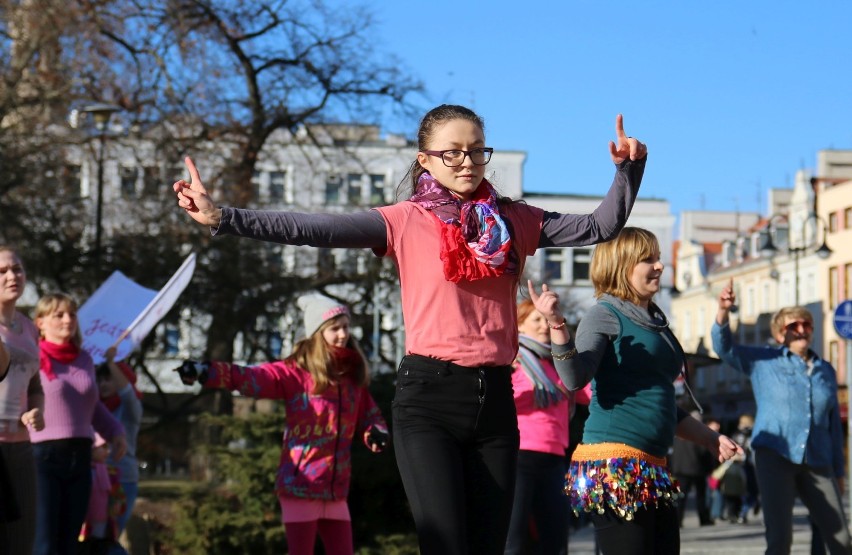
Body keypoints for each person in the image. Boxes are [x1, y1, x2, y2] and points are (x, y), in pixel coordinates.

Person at [174, 104, 647, 554]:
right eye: (452, 152)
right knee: (444, 545)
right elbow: (314, 227)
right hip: (429, 399)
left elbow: (600, 227)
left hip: (496, 403)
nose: (466, 161)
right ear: (425, 160)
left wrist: (627, 171)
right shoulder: (404, 221)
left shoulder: (515, 220)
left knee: (489, 546)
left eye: (477, 149)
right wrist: (223, 217)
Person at [558, 227, 742, 555]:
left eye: (658, 258)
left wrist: (710, 439)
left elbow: (663, 403)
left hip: (652, 466)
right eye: (648, 259)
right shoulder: (604, 314)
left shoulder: (654, 319)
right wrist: (559, 330)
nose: (659, 266)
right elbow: (574, 378)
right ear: (620, 265)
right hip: (614, 463)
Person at [174, 295, 388, 555]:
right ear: (317, 334)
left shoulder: (351, 378)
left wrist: (375, 432)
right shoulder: (295, 373)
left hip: (335, 488)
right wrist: (207, 371)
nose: (343, 334)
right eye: (334, 328)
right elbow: (253, 377)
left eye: (345, 326)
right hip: (301, 484)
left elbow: (369, 414)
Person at [712, 283, 852, 554]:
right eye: (793, 326)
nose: (801, 330)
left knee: (842, 540)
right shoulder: (763, 361)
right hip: (775, 457)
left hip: (818, 460)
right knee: (779, 540)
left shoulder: (826, 371)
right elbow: (724, 348)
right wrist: (723, 311)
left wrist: (838, 471)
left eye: (806, 324)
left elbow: (834, 425)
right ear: (779, 334)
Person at [29, 293, 127, 555]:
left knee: (70, 543)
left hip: (81, 457)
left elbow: (91, 406)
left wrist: (116, 432)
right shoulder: (30, 358)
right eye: (58, 314)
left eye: (71, 314)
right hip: (43, 457)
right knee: (44, 543)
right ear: (40, 322)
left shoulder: (84, 359)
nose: (67, 319)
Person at [505, 285, 573, 555]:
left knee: (555, 540)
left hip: (555, 458)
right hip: (519, 457)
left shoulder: (559, 362)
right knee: (514, 540)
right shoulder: (511, 360)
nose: (545, 326)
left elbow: (588, 392)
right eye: (537, 320)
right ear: (519, 324)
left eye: (547, 320)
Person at [0, 246, 45, 555]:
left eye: (16, 269)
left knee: (21, 541)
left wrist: (37, 411)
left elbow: (36, 385)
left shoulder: (29, 328)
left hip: (22, 447)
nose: (11, 276)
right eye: (2, 271)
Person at [96, 345, 143, 549]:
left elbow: (127, 393)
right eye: (101, 379)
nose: (104, 384)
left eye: (109, 379)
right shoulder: (93, 407)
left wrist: (111, 362)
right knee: (94, 538)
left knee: (110, 537)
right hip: (96, 478)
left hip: (122, 480)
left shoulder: (129, 409)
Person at [78, 434, 126, 555]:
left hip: (104, 524)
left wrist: (118, 503)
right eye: (103, 447)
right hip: (85, 526)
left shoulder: (111, 474)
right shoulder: (81, 472)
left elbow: (118, 493)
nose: (108, 451)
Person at [670, 411, 716, 527]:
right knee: (701, 497)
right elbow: (704, 453)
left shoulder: (677, 435)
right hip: (697, 469)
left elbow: (670, 453)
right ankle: (704, 518)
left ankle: (678, 520)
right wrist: (710, 468)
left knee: (680, 497)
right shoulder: (698, 435)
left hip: (680, 469)